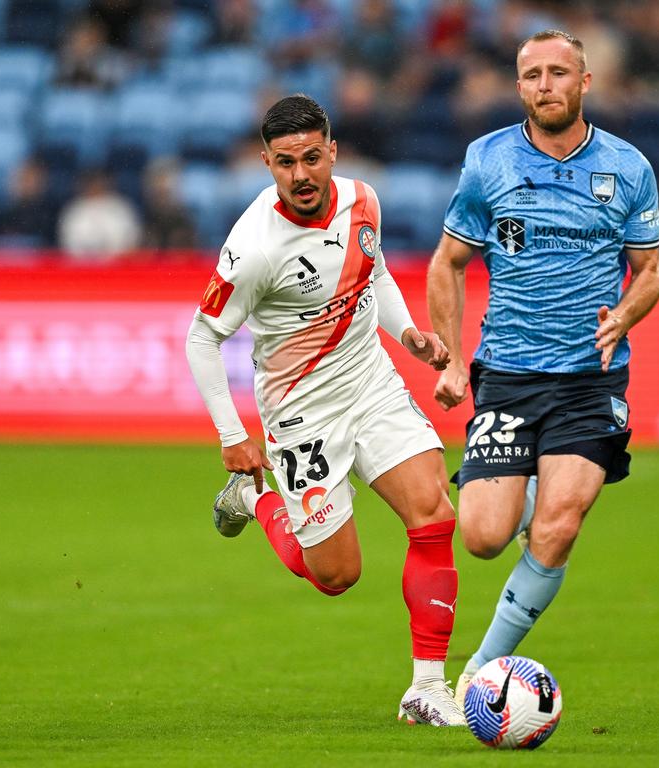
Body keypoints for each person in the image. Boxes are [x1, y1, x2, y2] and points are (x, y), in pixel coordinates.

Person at [185, 95, 465, 726]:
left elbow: (375, 271)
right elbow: (201, 338)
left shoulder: (364, 199)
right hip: (301, 411)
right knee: (337, 575)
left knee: (434, 515)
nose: (301, 174)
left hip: (370, 382)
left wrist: (410, 335)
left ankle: (426, 689)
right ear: (266, 163)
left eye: (312, 158)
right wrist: (233, 435)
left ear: (333, 152)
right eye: (286, 163)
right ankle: (254, 498)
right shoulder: (255, 248)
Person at [425, 30, 659, 706]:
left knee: (561, 524)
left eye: (559, 72)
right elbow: (448, 262)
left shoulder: (627, 166)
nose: (545, 84)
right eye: (532, 74)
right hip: (507, 374)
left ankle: (479, 672)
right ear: (519, 85)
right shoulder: (488, 160)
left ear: (584, 83)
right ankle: (521, 486)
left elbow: (650, 274)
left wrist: (624, 314)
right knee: (482, 537)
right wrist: (447, 357)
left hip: (591, 379)